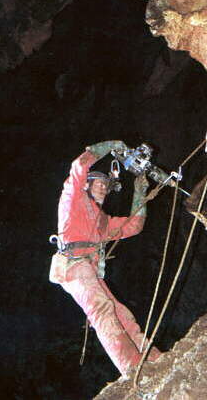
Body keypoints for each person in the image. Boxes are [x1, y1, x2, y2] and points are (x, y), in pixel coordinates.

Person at [49, 140, 161, 376]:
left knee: (122, 315)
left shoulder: (103, 222)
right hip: (73, 265)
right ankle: (130, 367)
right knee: (102, 309)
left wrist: (140, 192)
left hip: (88, 268)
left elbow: (134, 226)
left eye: (105, 185)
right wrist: (106, 147)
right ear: (87, 186)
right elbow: (78, 167)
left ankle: (152, 358)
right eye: (98, 183)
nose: (102, 187)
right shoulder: (73, 200)